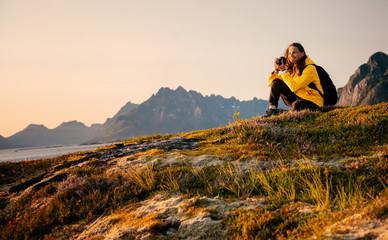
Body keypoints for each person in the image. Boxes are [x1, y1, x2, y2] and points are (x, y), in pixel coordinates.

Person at [263, 42, 324, 117]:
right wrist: (277, 70)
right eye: (289, 53)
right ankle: (272, 109)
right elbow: (271, 83)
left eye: (294, 53)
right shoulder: (292, 68)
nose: (291, 55)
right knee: (276, 82)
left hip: (313, 101)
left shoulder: (310, 68)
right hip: (298, 97)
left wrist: (284, 72)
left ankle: (282, 112)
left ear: (302, 53)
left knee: (297, 105)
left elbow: (294, 87)